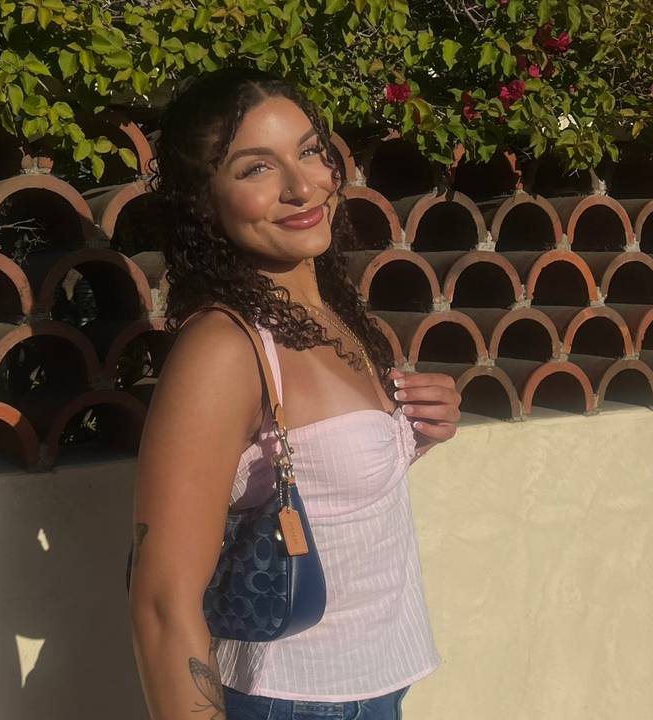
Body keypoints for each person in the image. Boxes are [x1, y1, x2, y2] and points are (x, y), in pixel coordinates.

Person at [129, 68, 461, 720]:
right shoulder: (224, 349)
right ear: (205, 201)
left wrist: (416, 432)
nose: (302, 186)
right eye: (256, 168)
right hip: (294, 700)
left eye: (309, 151)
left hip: (378, 683)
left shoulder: (331, 310)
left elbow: (322, 485)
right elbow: (162, 604)